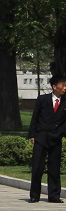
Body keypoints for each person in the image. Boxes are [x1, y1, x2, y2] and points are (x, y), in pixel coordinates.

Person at [27, 75, 66, 203]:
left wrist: (61, 133)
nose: (64, 88)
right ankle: (34, 195)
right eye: (62, 85)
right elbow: (35, 118)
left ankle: (54, 195)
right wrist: (32, 134)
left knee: (54, 168)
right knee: (37, 167)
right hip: (41, 137)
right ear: (54, 87)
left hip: (56, 138)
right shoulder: (42, 99)